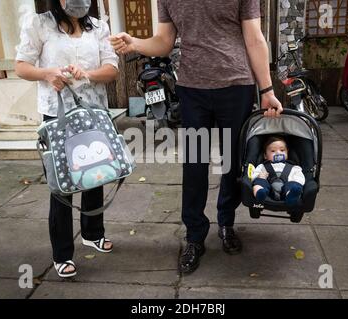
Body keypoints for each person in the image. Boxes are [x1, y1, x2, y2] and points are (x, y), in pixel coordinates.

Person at [110, 0, 283, 274]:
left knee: (232, 162)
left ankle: (226, 223)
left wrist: (266, 89)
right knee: (194, 166)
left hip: (236, 85)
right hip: (192, 88)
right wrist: (135, 43)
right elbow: (164, 42)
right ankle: (194, 236)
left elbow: (254, 37)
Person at [15, 0, 119, 278]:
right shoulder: (40, 24)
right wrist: (47, 73)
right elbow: (21, 66)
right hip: (57, 115)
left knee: (96, 172)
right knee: (61, 184)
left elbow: (112, 69)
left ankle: (92, 232)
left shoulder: (98, 26)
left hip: (93, 112)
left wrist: (87, 74)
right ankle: (62, 252)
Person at [250, 136, 305, 206]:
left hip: (286, 188)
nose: (278, 153)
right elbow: (253, 176)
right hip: (268, 191)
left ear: (287, 153)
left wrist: (294, 180)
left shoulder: (293, 167)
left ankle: (291, 196)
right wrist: (261, 177)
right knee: (259, 182)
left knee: (293, 185)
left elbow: (300, 178)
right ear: (265, 156)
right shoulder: (262, 166)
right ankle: (259, 193)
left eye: (282, 150)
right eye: (273, 151)